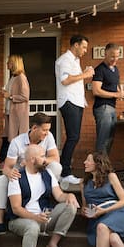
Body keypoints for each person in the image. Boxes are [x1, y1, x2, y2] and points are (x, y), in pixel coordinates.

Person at [7, 144, 79, 247]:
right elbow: (16, 209)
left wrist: (69, 195)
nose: (45, 160)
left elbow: (59, 195)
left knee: (69, 206)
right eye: (42, 157)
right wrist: (35, 218)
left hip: (44, 217)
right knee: (33, 227)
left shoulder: (47, 173)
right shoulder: (17, 177)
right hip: (20, 220)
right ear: (33, 159)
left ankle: (52, 245)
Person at [0, 112, 62, 238]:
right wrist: (10, 173)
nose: (46, 133)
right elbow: (6, 167)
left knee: (57, 167)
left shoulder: (49, 137)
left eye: (48, 130)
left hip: (41, 172)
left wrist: (40, 161)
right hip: (22, 177)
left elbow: (55, 157)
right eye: (44, 130)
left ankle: (47, 198)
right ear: (34, 128)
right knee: (2, 180)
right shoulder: (17, 142)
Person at [55, 34, 94, 185]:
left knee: (74, 137)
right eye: (83, 47)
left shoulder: (75, 60)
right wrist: (85, 74)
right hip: (69, 101)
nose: (85, 50)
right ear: (75, 45)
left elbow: (73, 78)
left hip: (76, 102)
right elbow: (65, 80)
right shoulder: (65, 59)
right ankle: (64, 173)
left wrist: (83, 72)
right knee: (73, 137)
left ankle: (65, 171)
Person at [92, 43, 124, 154]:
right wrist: (116, 95)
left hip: (112, 108)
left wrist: (122, 93)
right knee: (102, 141)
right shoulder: (99, 69)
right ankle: (98, 169)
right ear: (105, 54)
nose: (115, 59)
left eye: (117, 56)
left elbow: (115, 88)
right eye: (112, 56)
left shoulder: (115, 69)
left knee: (110, 140)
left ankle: (104, 167)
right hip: (103, 108)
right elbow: (96, 90)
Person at [0, 54, 30, 162]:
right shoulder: (13, 77)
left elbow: (25, 96)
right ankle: (3, 160)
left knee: (14, 138)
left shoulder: (21, 78)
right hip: (10, 112)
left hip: (17, 114)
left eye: (9, 62)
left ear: (14, 64)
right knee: (7, 136)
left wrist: (11, 96)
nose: (7, 64)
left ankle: (7, 160)